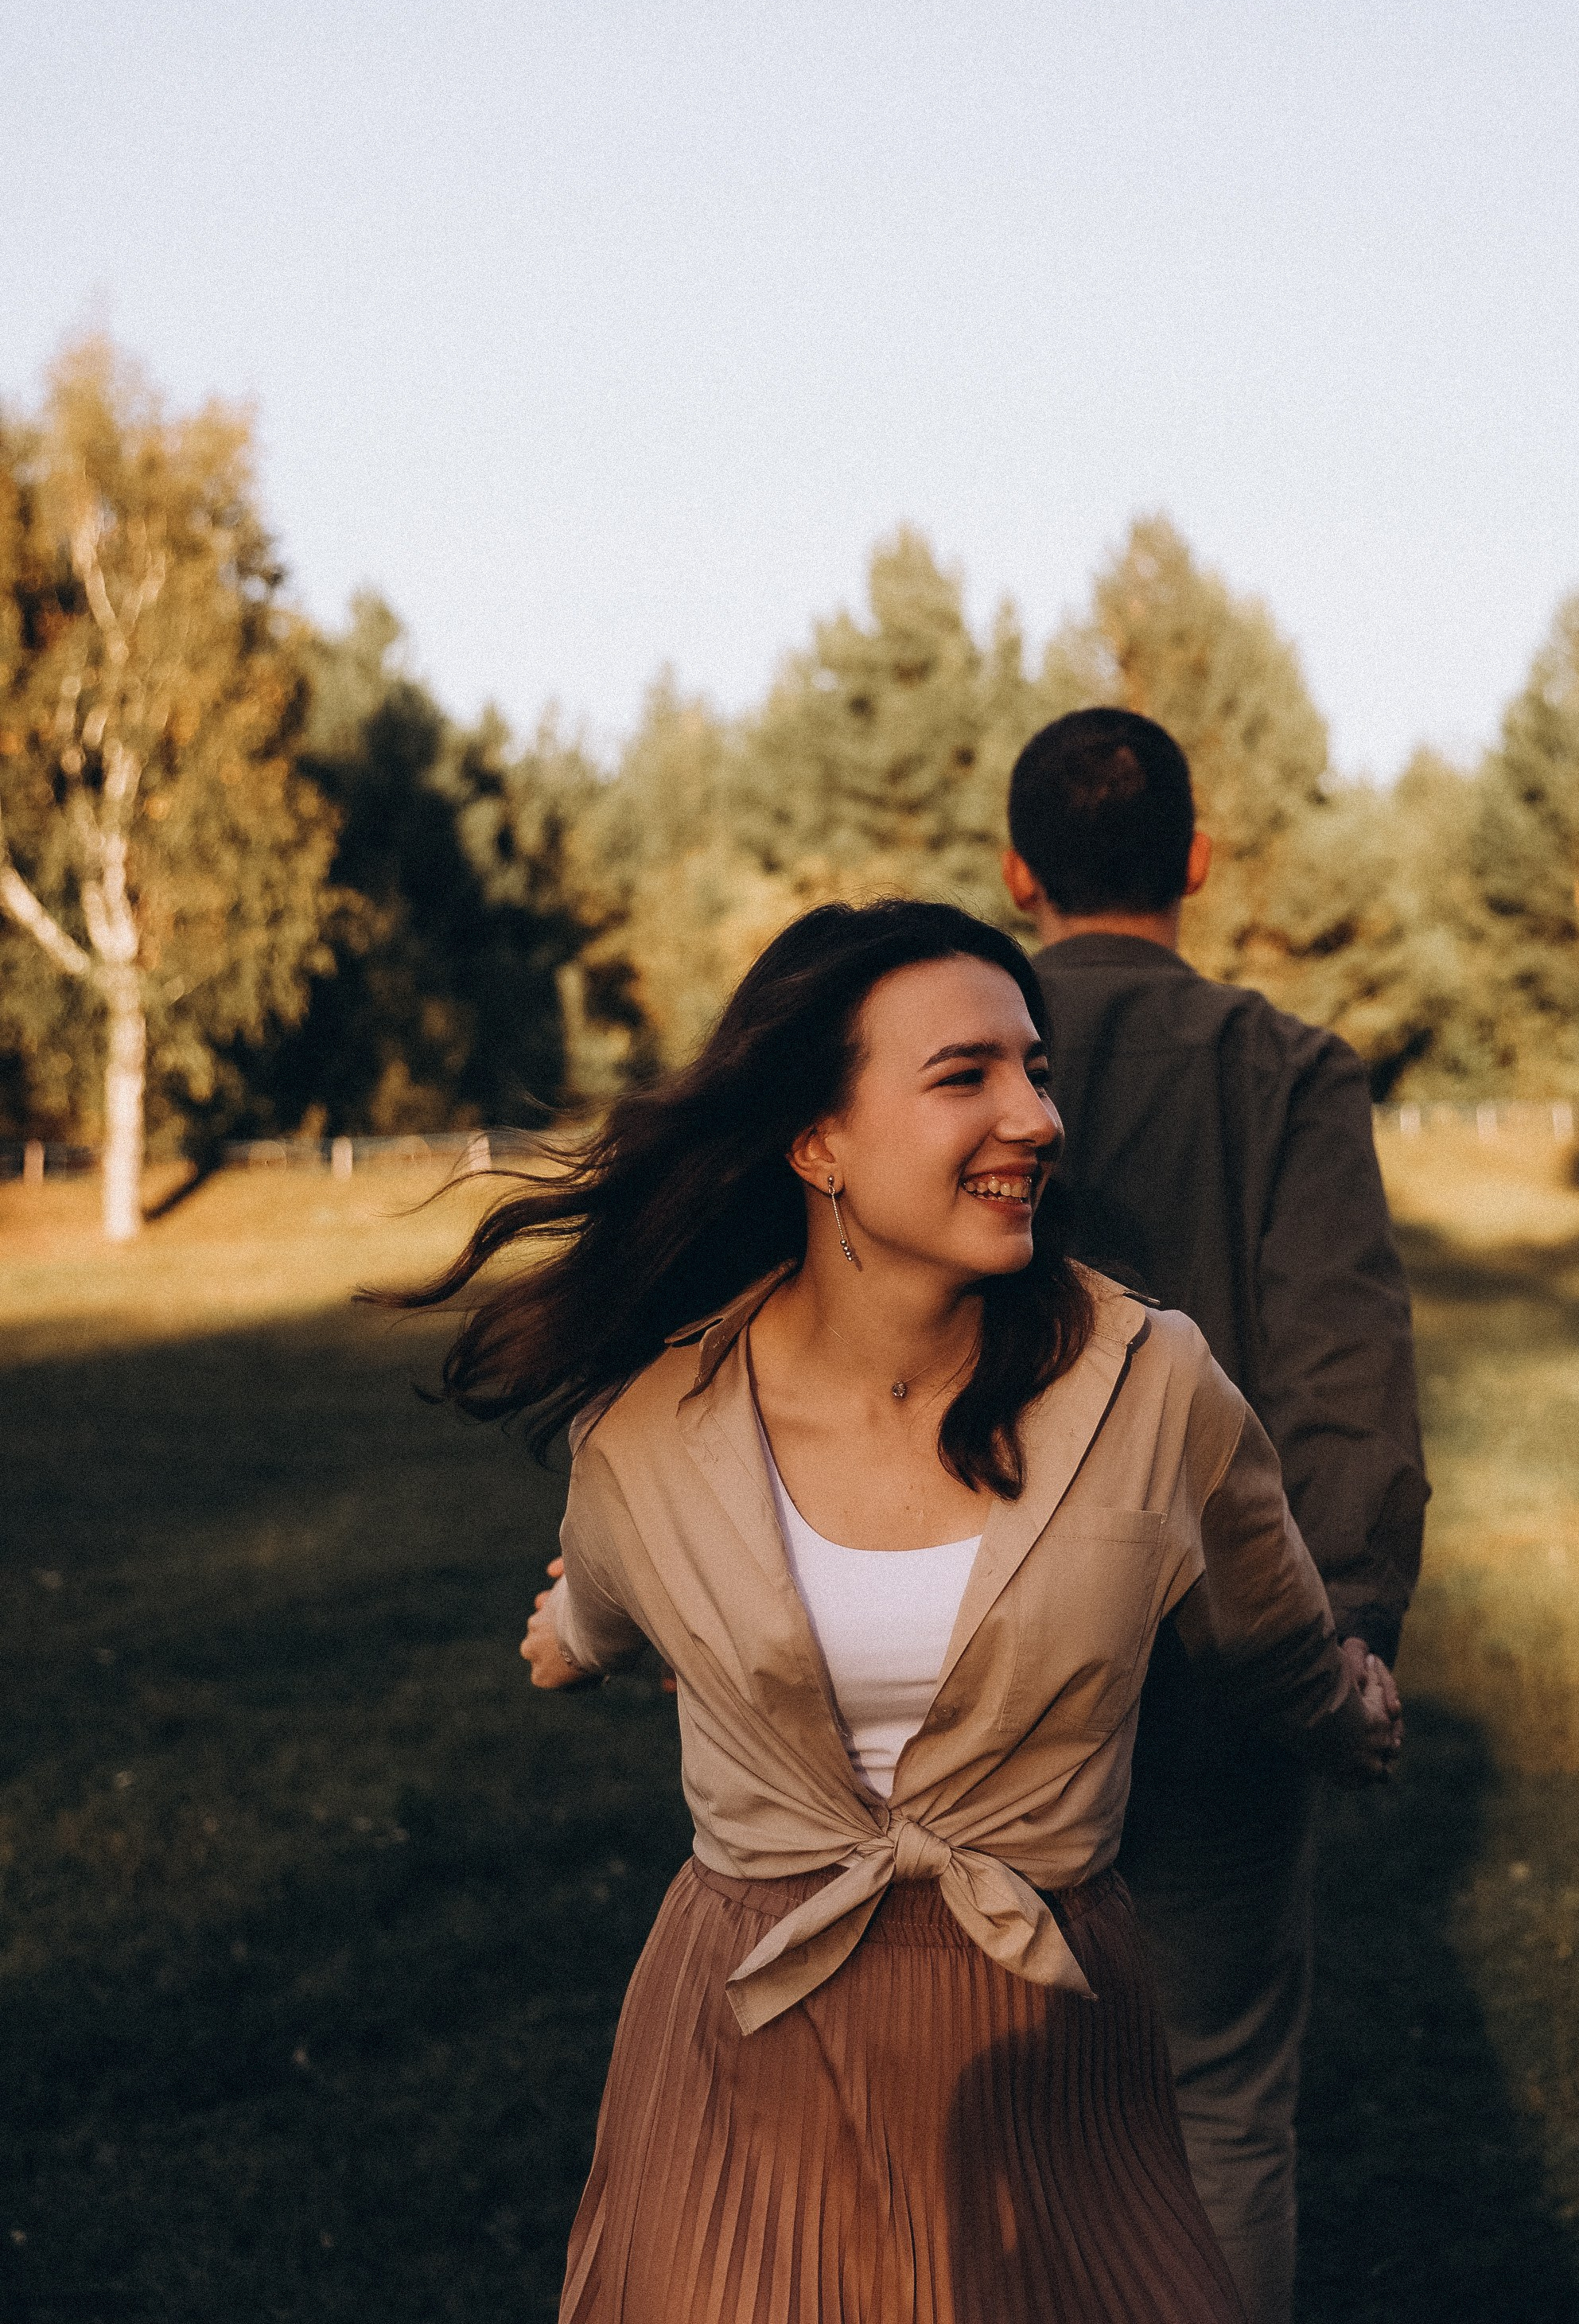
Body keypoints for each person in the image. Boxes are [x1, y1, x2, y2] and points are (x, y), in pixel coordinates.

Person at [396, 898, 1400, 2324]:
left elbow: (1272, 1637)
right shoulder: (654, 1428)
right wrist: (565, 1643)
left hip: (1045, 2036)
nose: (1036, 1118)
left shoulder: (1151, 1386)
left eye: (1034, 1070)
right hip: (747, 2027)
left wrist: (1351, 1716)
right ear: (819, 1142)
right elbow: (611, 1608)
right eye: (965, 1076)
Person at [1002, 710, 1428, 2324]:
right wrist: (1350, 1632)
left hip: (985, 1655)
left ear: (1018, 872)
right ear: (1194, 859)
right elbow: (1342, 1370)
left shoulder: (953, 1056)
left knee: (990, 2102)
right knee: (1222, 2106)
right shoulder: (1286, 1069)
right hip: (1229, 1659)